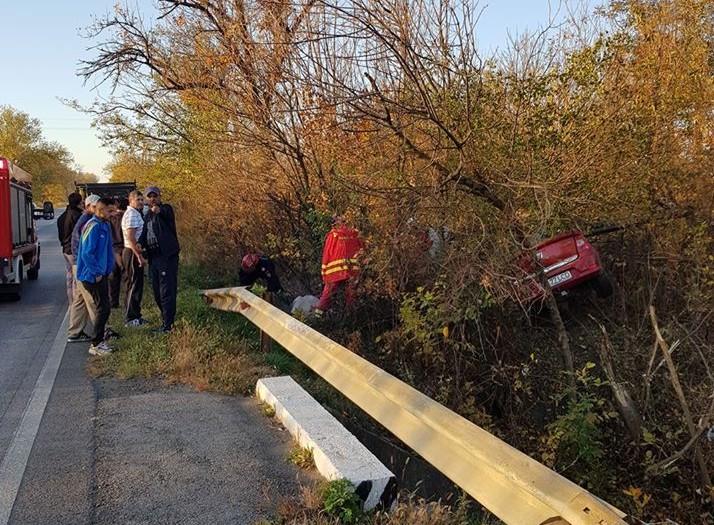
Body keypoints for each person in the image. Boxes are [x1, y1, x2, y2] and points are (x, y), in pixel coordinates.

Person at [76, 197, 116, 356]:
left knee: (104, 307)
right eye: (110, 211)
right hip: (91, 275)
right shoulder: (93, 226)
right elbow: (87, 253)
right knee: (103, 308)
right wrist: (97, 272)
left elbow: (108, 250)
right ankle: (96, 343)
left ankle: (99, 340)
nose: (112, 214)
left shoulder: (104, 225)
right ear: (101, 210)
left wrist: (109, 268)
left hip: (101, 273)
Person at [140, 186, 180, 333]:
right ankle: (165, 320)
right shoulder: (147, 216)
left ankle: (168, 325)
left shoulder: (166, 209)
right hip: (153, 257)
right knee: (157, 291)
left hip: (166, 257)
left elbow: (164, 213)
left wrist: (158, 210)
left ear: (159, 197)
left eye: (155, 196)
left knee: (166, 291)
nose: (152, 199)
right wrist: (139, 244)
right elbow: (144, 233)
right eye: (149, 196)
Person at [66, 194, 100, 343]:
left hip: (78, 264)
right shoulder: (87, 221)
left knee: (79, 300)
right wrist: (92, 268)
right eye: (95, 206)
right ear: (87, 206)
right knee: (92, 298)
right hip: (83, 265)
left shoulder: (85, 219)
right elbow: (84, 249)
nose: (98, 209)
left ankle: (75, 332)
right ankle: (101, 331)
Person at [315, 216, 363, 315]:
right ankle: (351, 316)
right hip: (352, 269)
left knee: (327, 294)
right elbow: (362, 248)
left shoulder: (333, 234)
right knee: (351, 295)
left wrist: (324, 271)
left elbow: (327, 253)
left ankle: (317, 316)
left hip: (334, 270)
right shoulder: (355, 233)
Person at [121, 190, 148, 327]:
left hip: (135, 252)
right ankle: (130, 318)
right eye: (138, 200)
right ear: (130, 200)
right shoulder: (131, 214)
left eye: (142, 200)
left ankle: (136, 315)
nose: (141, 202)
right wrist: (139, 256)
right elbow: (131, 238)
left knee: (137, 285)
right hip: (132, 253)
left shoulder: (137, 213)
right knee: (133, 285)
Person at [56, 192, 83, 305]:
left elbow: (60, 236)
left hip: (65, 249)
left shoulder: (62, 217)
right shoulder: (78, 217)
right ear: (79, 203)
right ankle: (77, 303)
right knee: (77, 277)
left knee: (69, 276)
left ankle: (71, 302)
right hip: (74, 250)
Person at [108, 197, 126, 308]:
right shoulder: (126, 217)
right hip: (124, 248)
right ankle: (127, 301)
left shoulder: (109, 219)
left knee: (113, 278)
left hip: (113, 249)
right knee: (126, 276)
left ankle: (113, 302)